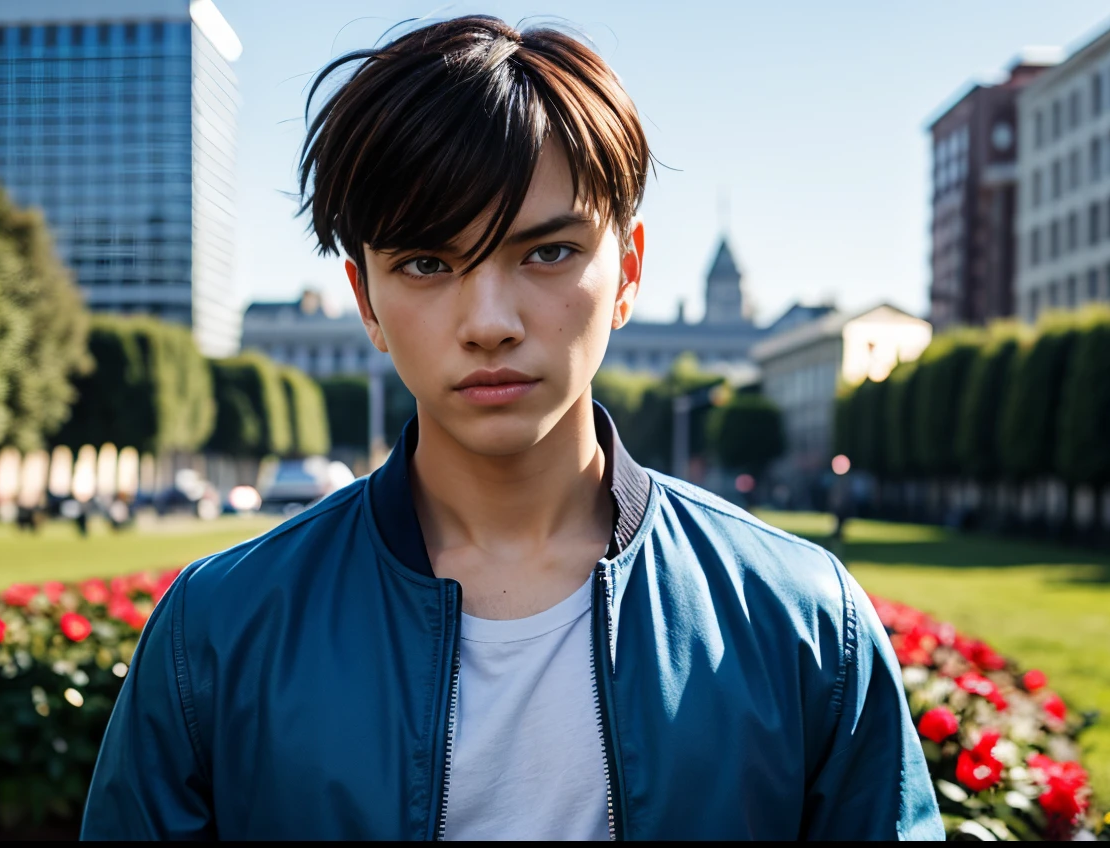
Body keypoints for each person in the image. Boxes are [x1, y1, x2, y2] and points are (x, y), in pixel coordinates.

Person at [81, 16, 941, 840]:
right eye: (426, 262)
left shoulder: (803, 622)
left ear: (629, 271)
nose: (489, 320)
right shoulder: (216, 633)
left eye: (547, 252)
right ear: (365, 300)